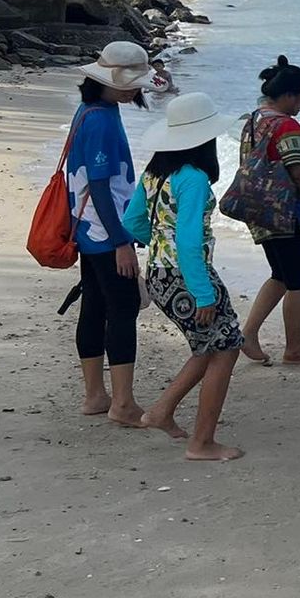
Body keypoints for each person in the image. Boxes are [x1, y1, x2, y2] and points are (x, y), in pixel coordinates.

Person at [119, 93, 244, 461]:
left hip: (160, 273)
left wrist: (158, 242)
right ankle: (202, 442)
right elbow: (189, 242)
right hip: (187, 275)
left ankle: (161, 412)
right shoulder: (193, 179)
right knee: (225, 346)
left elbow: (132, 222)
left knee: (210, 345)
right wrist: (203, 293)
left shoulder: (156, 173)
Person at [64, 40, 152, 425]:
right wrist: (121, 242)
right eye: (132, 82)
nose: (137, 89)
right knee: (122, 308)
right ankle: (123, 403)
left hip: (87, 229)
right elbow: (100, 187)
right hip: (105, 232)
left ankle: (95, 395)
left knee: (96, 306)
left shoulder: (92, 110)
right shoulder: (100, 119)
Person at [237, 57, 300, 366]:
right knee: (298, 281)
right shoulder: (285, 125)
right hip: (289, 213)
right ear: (290, 95)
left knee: (280, 275)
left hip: (262, 211)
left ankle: (249, 333)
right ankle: (294, 349)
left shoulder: (256, 118)